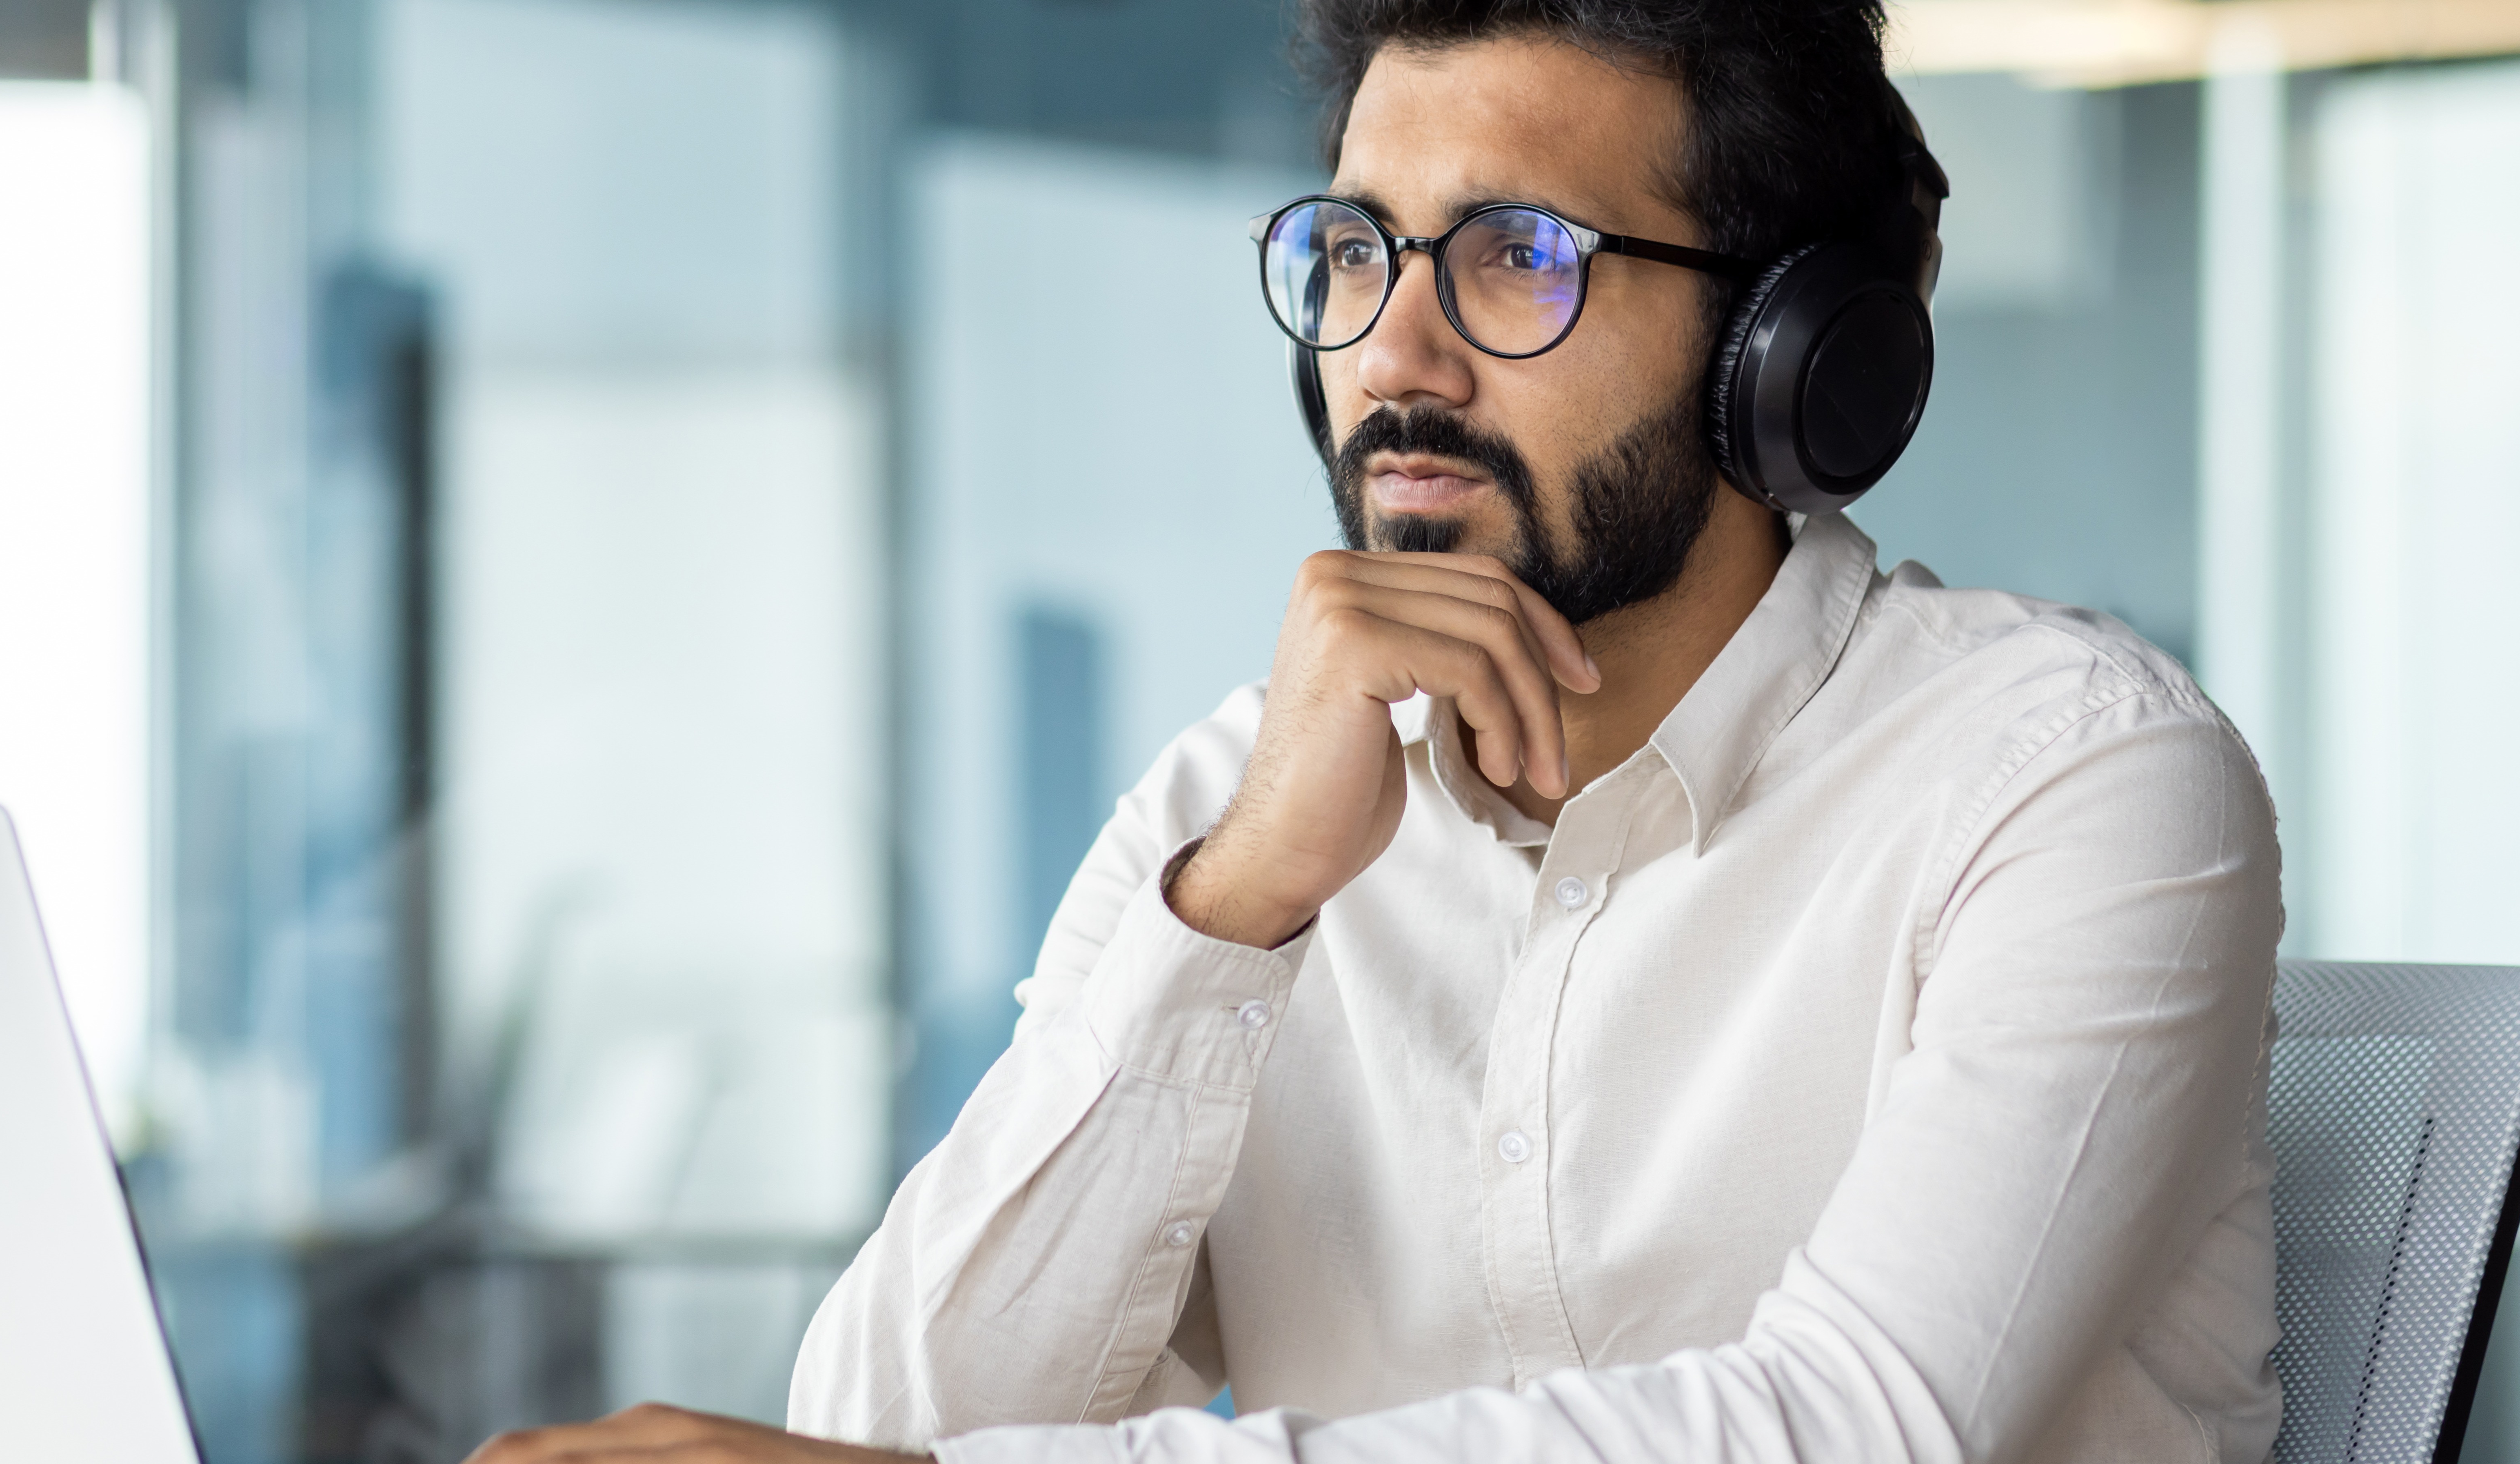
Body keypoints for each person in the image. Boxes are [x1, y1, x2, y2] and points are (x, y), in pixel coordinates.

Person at [464, 1, 2282, 1460]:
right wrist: (1237, 910)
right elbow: (883, 1429)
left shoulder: (2071, 775)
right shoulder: (1239, 800)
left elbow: (1860, 1429)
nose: (1391, 355)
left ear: (1792, 356)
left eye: (1516, 256)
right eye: (1352, 251)